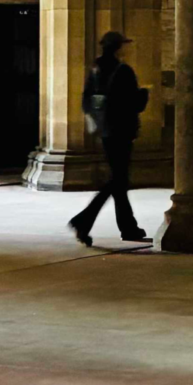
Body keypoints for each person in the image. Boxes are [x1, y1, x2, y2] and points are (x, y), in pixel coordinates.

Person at [68, 31, 149, 246]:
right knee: (117, 181)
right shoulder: (124, 71)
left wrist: (100, 119)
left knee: (119, 181)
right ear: (119, 48)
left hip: (106, 131)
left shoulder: (96, 70)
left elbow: (86, 101)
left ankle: (128, 227)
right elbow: (134, 104)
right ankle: (83, 220)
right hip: (122, 132)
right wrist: (144, 95)